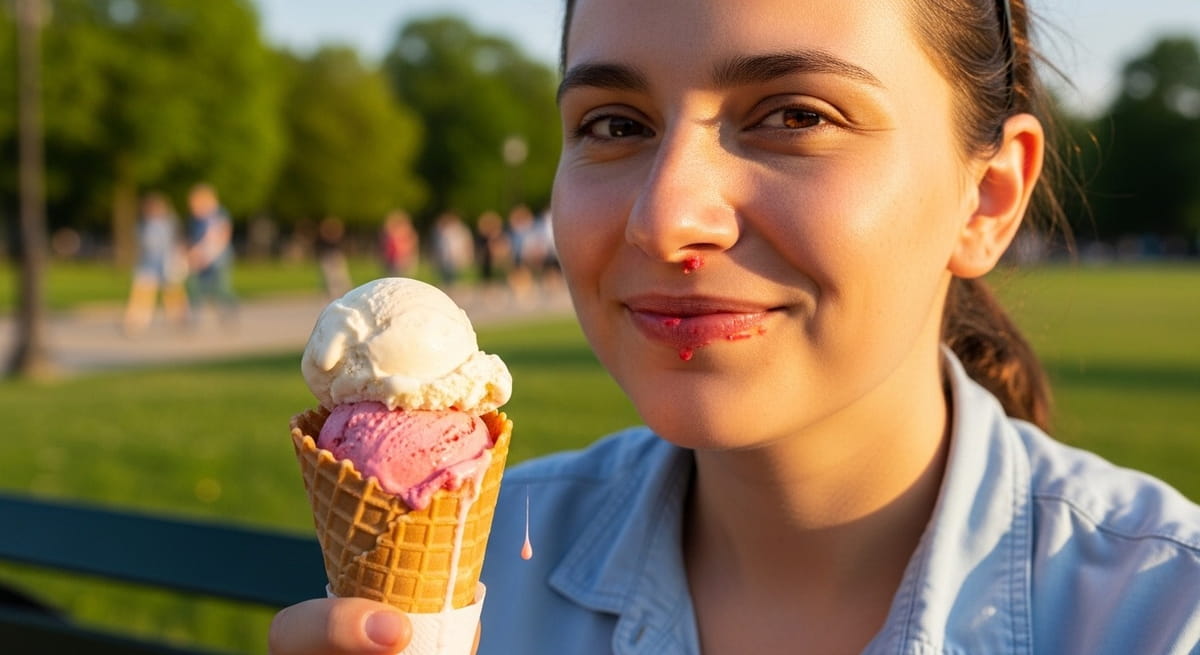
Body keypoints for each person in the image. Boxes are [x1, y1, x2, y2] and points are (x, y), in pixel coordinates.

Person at [269, 1, 1200, 653]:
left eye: (797, 114)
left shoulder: (1164, 618)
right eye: (614, 123)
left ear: (988, 198)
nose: (667, 216)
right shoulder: (485, 566)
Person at [122, 191, 188, 335]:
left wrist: (179, 260)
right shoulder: (143, 226)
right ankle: (136, 321)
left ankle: (179, 319)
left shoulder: (170, 223)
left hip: (167, 262)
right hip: (148, 263)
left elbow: (178, 243)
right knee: (142, 293)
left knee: (173, 294)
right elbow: (141, 247)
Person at [185, 183, 238, 325]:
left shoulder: (219, 214)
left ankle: (229, 311)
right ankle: (195, 317)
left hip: (219, 259)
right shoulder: (195, 220)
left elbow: (223, 237)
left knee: (221, 288)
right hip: (200, 260)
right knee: (196, 288)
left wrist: (207, 254)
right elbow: (192, 239)